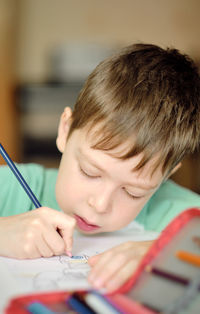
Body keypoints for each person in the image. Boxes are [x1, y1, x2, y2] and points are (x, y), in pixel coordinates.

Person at [0, 43, 200, 293]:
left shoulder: (176, 211)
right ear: (65, 130)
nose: (100, 204)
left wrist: (162, 251)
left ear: (167, 175)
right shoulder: (10, 188)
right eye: (90, 172)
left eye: (133, 192)